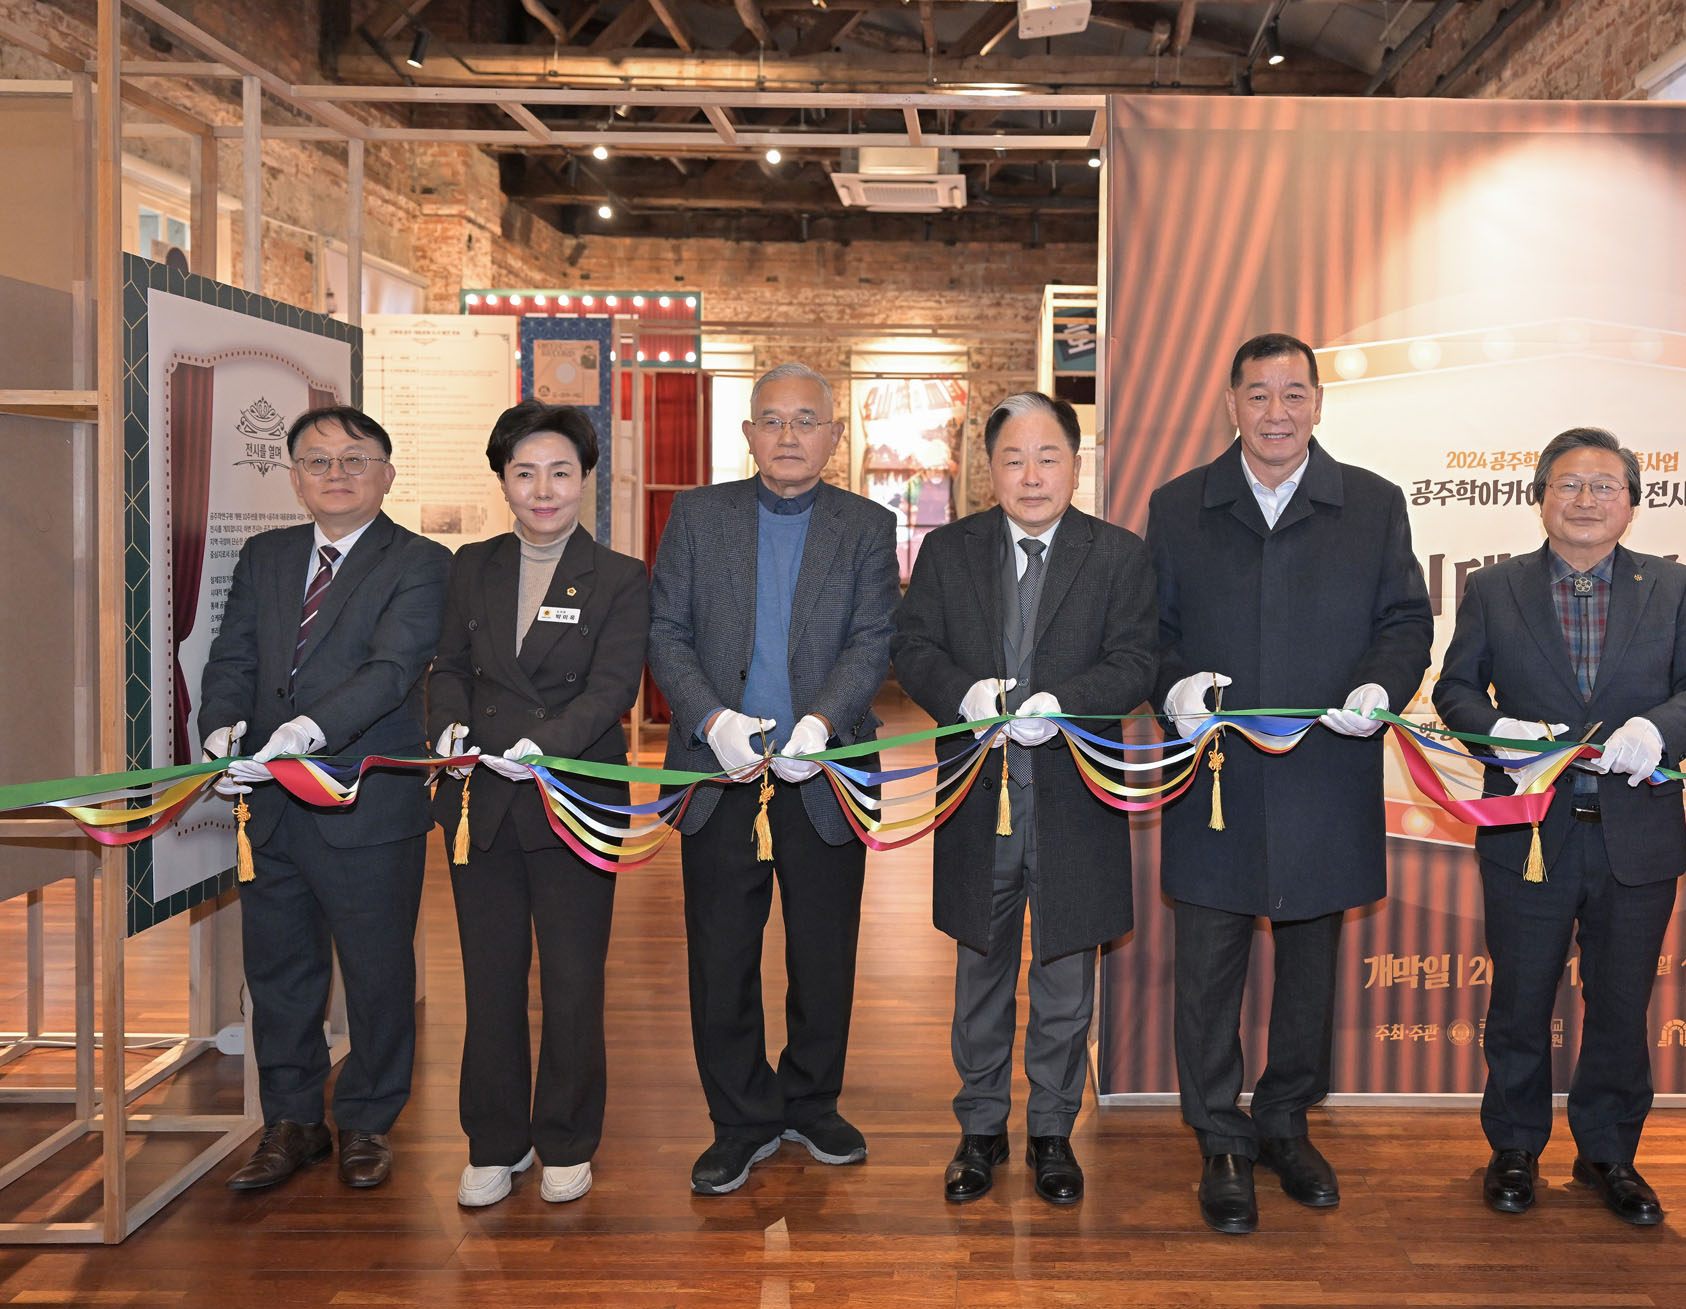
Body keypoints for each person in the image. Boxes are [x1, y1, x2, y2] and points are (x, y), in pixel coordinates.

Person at [1146, 332, 1433, 1234]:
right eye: (1259, 395)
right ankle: (1219, 1137)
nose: (1277, 413)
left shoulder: (1373, 503)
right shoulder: (1180, 504)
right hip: (1216, 775)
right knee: (1207, 969)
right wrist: (1174, 688)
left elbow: (1406, 622)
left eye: (1294, 394)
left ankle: (1284, 1122)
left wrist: (1381, 687)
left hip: (1326, 770)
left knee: (1310, 969)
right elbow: (1151, 632)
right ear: (1230, 403)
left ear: (1318, 403)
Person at [1434, 427, 1686, 1225]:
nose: (1587, 500)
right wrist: (1499, 734)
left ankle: (1610, 1155)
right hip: (1530, 832)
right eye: (1569, 484)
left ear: (1632, 504)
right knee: (1520, 1001)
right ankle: (1514, 1148)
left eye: (1606, 486)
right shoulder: (1494, 587)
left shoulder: (1674, 587)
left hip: (1638, 837)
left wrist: (1658, 730)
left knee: (1620, 1006)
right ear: (1540, 498)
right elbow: (1455, 691)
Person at [891, 392, 1157, 1206]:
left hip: (1075, 796)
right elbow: (912, 646)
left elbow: (1137, 660)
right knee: (980, 968)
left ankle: (1051, 1130)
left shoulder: (1117, 555)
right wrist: (962, 695)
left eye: (1048, 458)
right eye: (1013, 459)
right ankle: (979, 1128)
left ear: (1076, 465)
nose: (1031, 475)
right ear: (990, 469)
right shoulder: (949, 550)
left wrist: (1066, 703)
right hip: (979, 796)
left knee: (1066, 975)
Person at [648, 362, 900, 1195]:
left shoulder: (867, 525)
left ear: (835, 436)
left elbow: (873, 639)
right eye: (772, 420)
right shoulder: (697, 515)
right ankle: (740, 1118)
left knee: (824, 954)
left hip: (825, 773)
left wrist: (821, 723)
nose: (788, 435)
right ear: (748, 433)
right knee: (722, 956)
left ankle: (812, 1102)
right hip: (718, 774)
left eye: (806, 420)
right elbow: (666, 632)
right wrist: (711, 720)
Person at [198, 405, 449, 1191]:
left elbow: (392, 669)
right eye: (316, 461)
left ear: (386, 474)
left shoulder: (422, 561)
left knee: (377, 974)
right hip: (269, 807)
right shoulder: (267, 555)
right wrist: (221, 732)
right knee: (279, 974)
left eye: (353, 459)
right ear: (295, 478)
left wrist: (306, 732)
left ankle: (368, 1121)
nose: (335, 473)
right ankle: (293, 1121)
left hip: (366, 803)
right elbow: (233, 656)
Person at [428, 400, 650, 1208]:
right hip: (479, 797)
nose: (543, 489)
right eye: (525, 473)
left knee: (572, 979)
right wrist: (449, 726)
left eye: (560, 472)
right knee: (488, 980)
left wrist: (545, 744)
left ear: (585, 479)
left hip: (575, 796)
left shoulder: (621, 577)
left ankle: (565, 1138)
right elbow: (446, 666)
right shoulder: (471, 565)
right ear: (503, 481)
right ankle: (495, 1141)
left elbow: (612, 689)